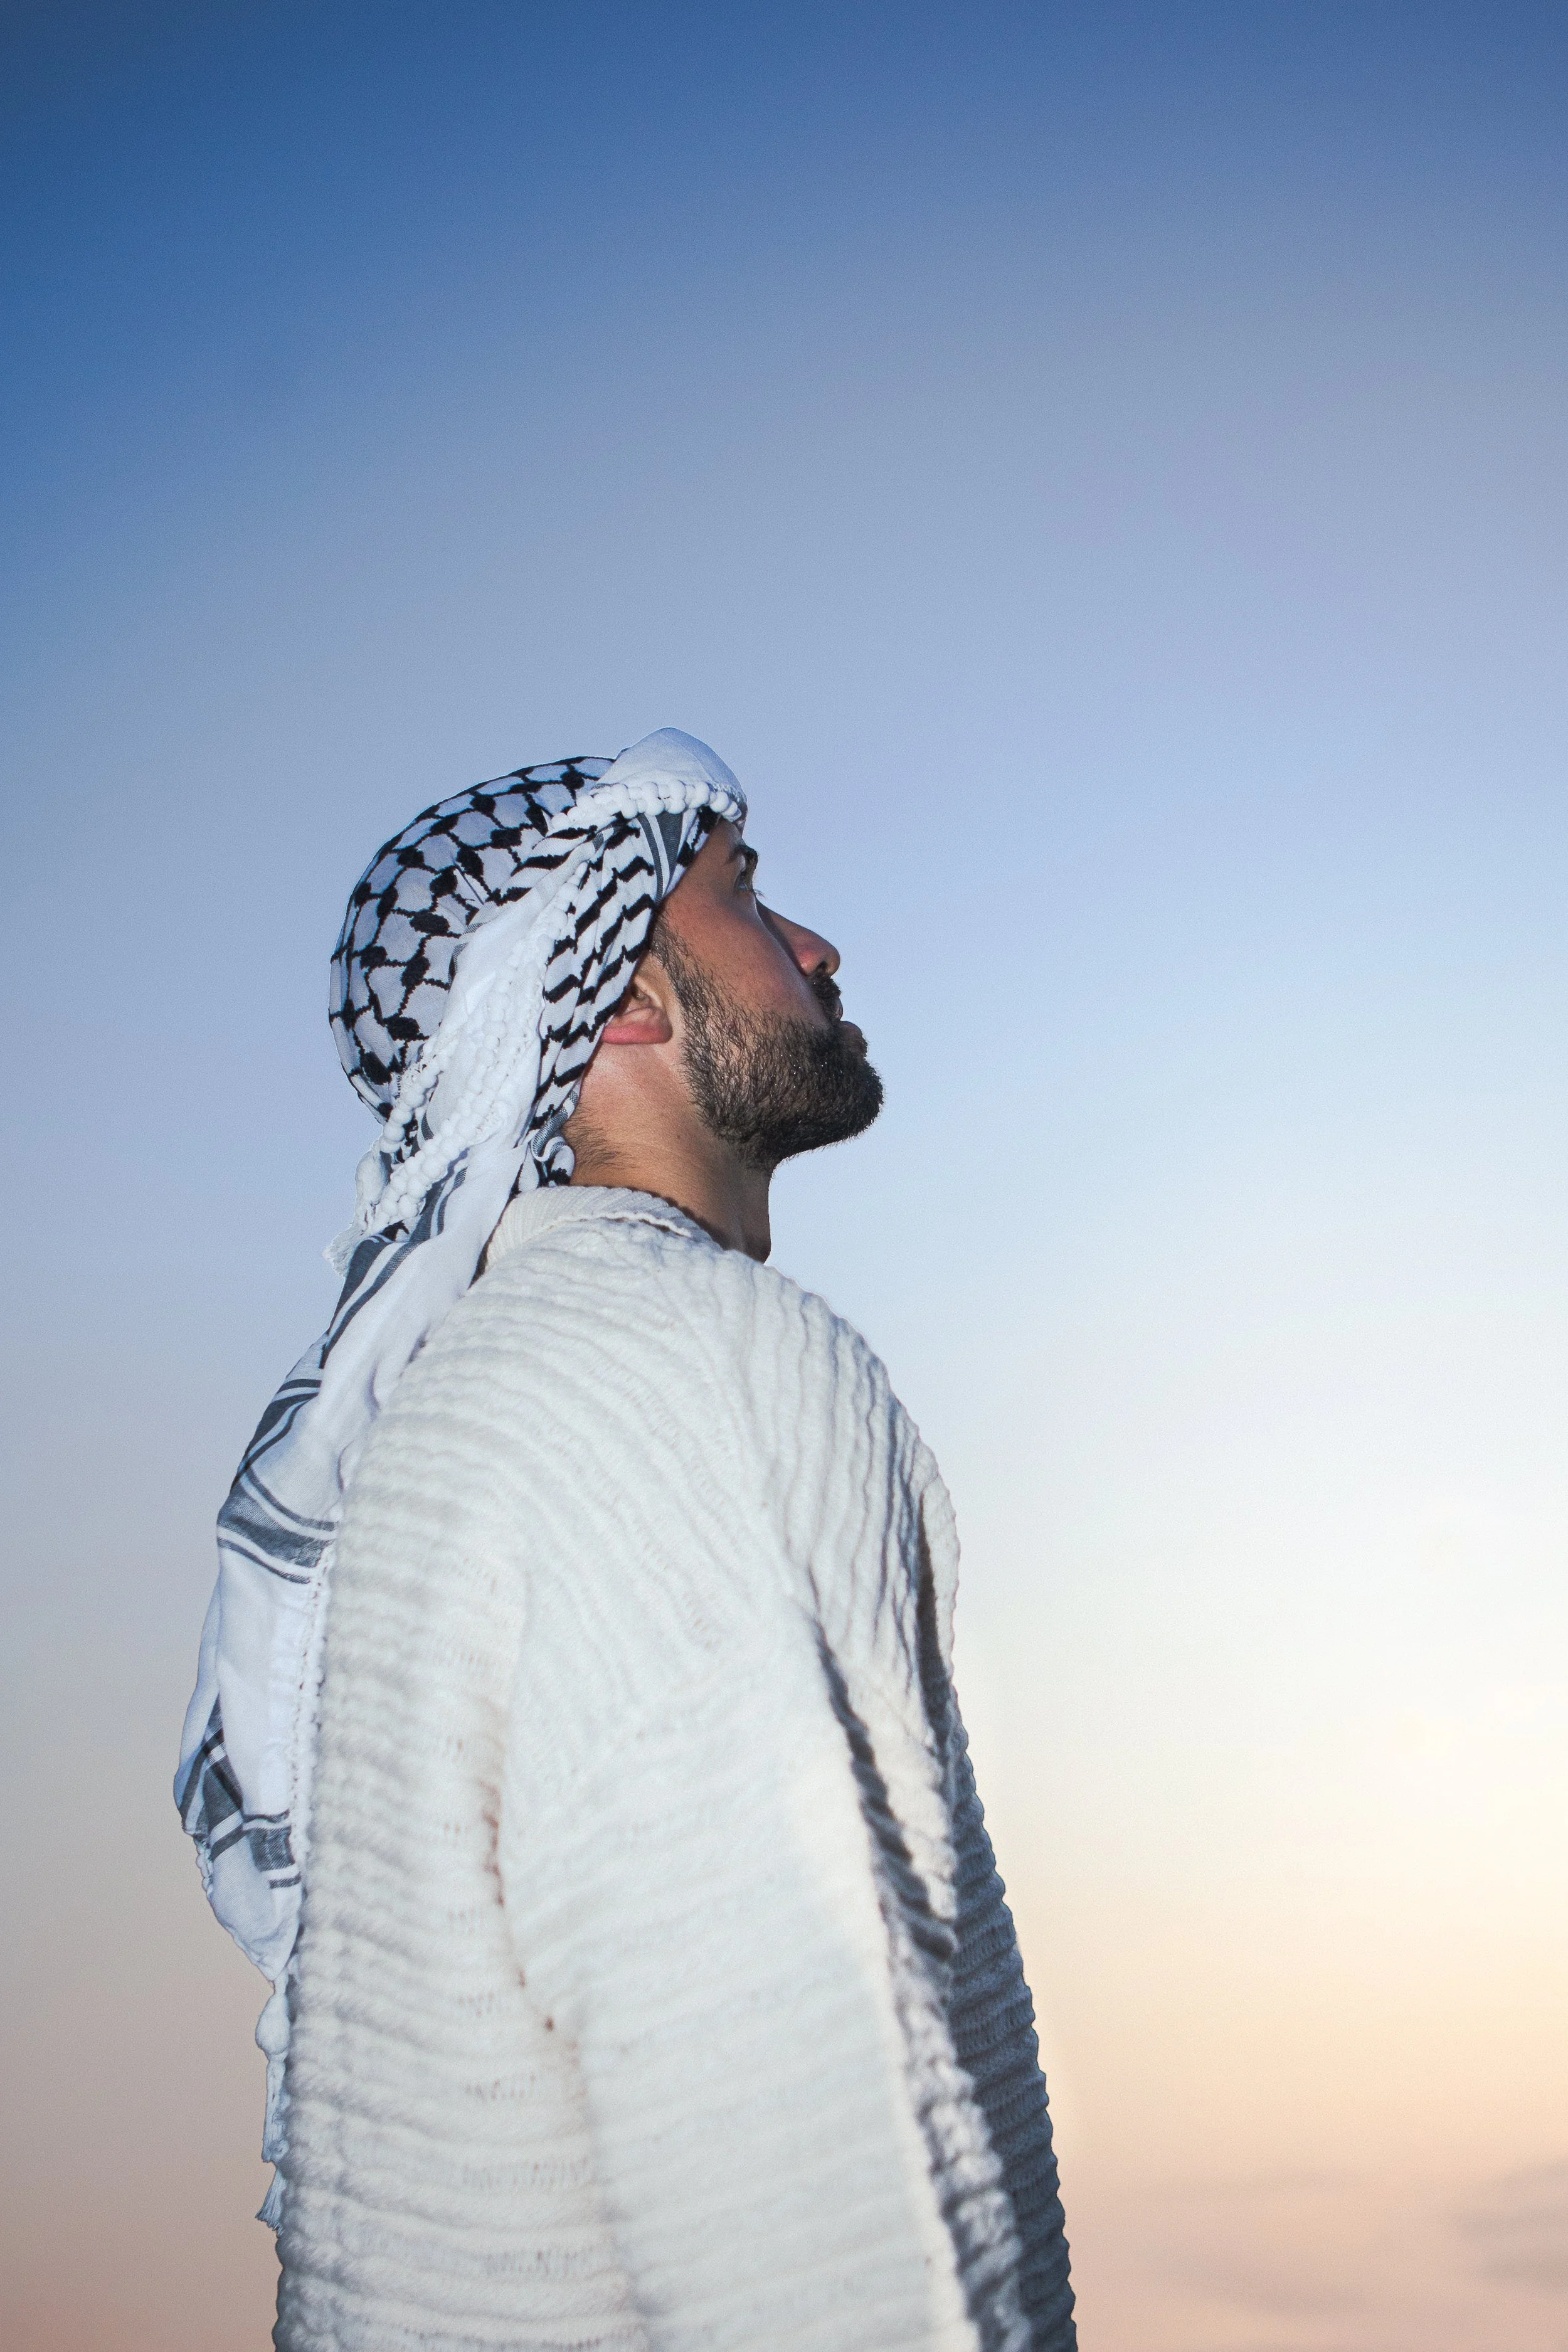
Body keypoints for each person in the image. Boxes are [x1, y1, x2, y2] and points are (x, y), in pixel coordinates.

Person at [176, 728, 1076, 2352]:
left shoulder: (501, 1385)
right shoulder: (678, 1364)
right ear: (617, 995)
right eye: (742, 893)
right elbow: (800, 2149)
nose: (817, 945)